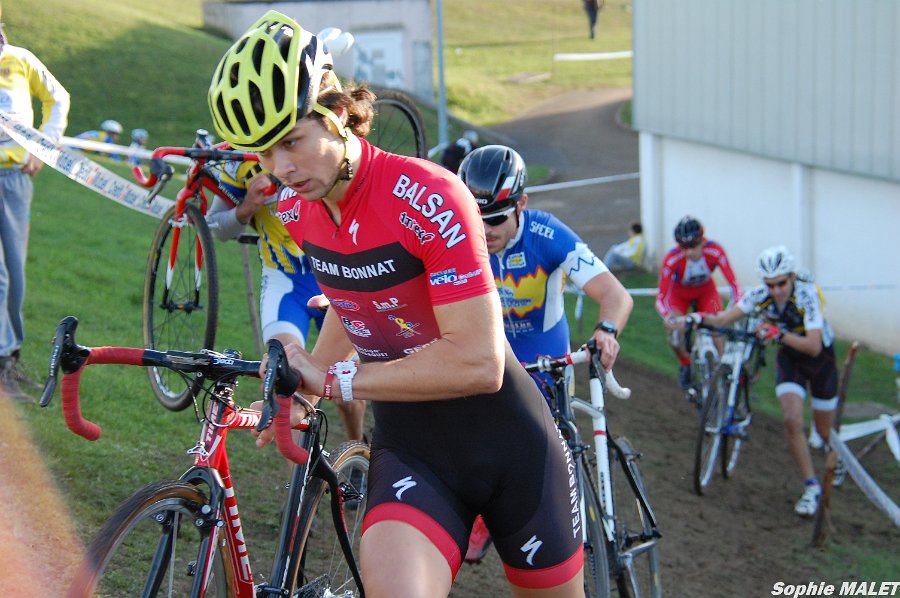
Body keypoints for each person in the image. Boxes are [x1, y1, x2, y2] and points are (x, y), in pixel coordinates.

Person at [208, 10, 586, 597]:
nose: (280, 168)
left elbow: (479, 363)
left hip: (513, 451)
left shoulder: (430, 194)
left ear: (336, 112)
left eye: (291, 141)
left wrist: (335, 379)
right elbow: (351, 302)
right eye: (262, 153)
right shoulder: (297, 210)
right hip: (413, 453)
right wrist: (304, 389)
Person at [457, 143, 633, 562]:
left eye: (496, 218)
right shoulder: (459, 235)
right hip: (491, 354)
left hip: (545, 357)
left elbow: (616, 295)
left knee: (542, 448)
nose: (485, 230)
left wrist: (607, 331)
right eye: (476, 218)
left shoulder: (547, 234)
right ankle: (482, 508)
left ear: (522, 204)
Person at [683, 246, 839, 517]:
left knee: (824, 431)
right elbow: (724, 318)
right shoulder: (760, 295)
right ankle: (811, 487)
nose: (776, 291)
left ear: (791, 277)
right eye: (770, 284)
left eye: (781, 284)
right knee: (792, 420)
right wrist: (697, 318)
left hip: (820, 360)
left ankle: (837, 456)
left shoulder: (807, 294)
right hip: (790, 359)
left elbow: (814, 346)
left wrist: (778, 334)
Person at [0, 3, 70, 401]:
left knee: (14, 273)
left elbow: (58, 98)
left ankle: (10, 354)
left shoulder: (20, 60)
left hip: (14, 180)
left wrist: (42, 147)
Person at [656, 215, 741, 390]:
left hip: (707, 292)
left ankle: (722, 370)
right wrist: (667, 317)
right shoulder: (672, 258)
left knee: (717, 325)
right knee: (675, 335)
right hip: (679, 295)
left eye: (693, 246)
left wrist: (734, 308)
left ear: (702, 240)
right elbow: (661, 297)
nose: (689, 252)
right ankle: (685, 364)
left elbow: (734, 285)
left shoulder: (715, 251)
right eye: (684, 247)